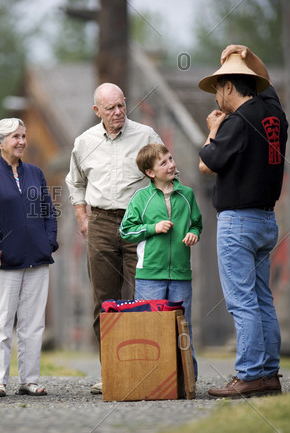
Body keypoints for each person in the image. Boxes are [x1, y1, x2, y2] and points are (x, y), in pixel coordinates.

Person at [198, 44, 288, 398]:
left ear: (230, 88)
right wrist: (248, 55)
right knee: (262, 299)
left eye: (218, 87)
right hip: (267, 221)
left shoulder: (235, 122)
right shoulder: (273, 113)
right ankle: (268, 374)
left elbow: (208, 162)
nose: (217, 95)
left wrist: (212, 129)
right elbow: (265, 80)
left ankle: (249, 374)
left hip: (238, 223)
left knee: (242, 301)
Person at [65, 82, 163, 394]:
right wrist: (82, 215)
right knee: (104, 301)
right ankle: (112, 372)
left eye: (122, 105)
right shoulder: (84, 141)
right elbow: (75, 182)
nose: (119, 112)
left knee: (144, 297)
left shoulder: (146, 135)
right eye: (111, 108)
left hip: (139, 223)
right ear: (97, 111)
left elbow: (166, 173)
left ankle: (145, 371)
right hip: (102, 223)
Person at [0, 118, 58, 397]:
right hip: (6, 260)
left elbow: (48, 210)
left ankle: (29, 380)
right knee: (2, 322)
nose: (21, 141)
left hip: (38, 258)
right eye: (15, 137)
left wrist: (48, 241)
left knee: (33, 323)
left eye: (23, 136)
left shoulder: (35, 172)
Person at [119, 143, 202, 379]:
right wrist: (152, 228)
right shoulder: (141, 198)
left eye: (171, 158)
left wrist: (194, 233)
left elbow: (197, 223)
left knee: (183, 329)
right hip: (149, 276)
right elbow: (126, 231)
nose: (171, 165)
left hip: (181, 274)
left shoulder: (187, 195)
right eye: (163, 162)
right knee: (150, 329)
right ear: (150, 172)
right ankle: (149, 380)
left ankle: (187, 381)